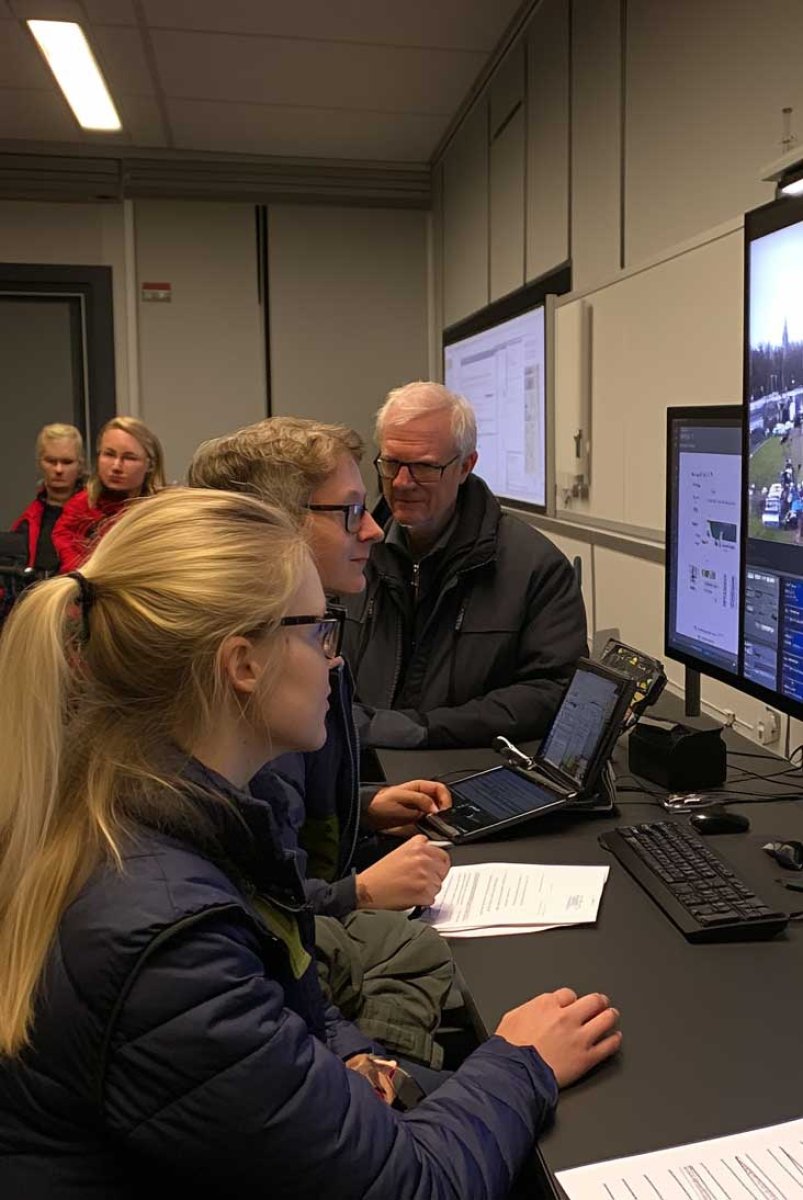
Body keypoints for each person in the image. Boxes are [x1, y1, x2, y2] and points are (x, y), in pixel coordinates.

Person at [0, 486, 622, 1198]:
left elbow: (279, 986)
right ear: (243, 664)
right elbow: (414, 1189)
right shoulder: (167, 938)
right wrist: (520, 1059)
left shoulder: (149, 814)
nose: (333, 659)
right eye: (318, 632)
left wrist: (348, 1057)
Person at [188, 418, 456, 1066]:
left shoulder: (304, 643)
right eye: (352, 511)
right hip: (297, 997)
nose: (374, 530)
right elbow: (262, 900)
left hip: (305, 977)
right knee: (412, 952)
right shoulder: (249, 705)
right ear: (274, 525)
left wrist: (362, 807)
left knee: (410, 950)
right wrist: (356, 893)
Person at [342, 381, 589, 749]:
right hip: (359, 761)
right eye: (391, 463)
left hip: (461, 763)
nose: (402, 483)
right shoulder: (351, 553)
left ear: (465, 466)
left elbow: (555, 691)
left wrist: (423, 730)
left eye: (424, 467)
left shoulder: (536, 568)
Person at [53, 415, 166, 572]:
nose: (116, 466)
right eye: (109, 454)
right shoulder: (79, 509)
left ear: (150, 465)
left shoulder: (163, 512)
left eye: (129, 458)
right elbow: (75, 569)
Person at [10, 423, 85, 573]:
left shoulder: (97, 516)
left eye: (67, 462)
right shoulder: (26, 524)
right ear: (40, 463)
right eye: (51, 461)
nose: (58, 469)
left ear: (80, 464)